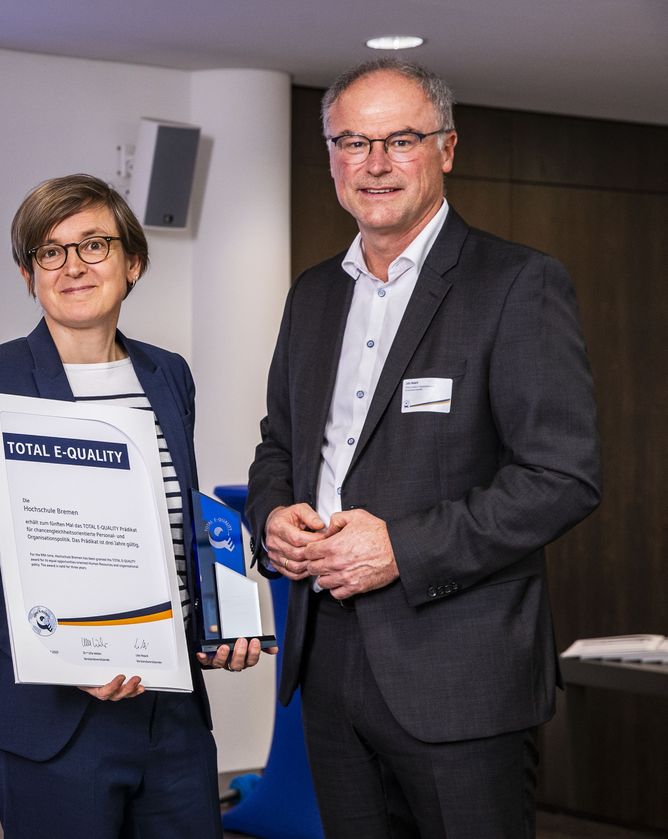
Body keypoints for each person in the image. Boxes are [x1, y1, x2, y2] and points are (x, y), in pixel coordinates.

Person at [246, 58, 602, 837]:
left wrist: (401, 547)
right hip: (328, 659)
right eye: (351, 142)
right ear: (331, 156)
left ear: (446, 148)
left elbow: (561, 476)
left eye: (399, 140)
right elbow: (281, 443)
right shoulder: (313, 293)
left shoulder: (517, 283)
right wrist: (272, 514)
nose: (373, 164)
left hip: (461, 670)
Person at [0, 173, 272, 839]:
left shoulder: (166, 373)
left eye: (94, 245)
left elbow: (173, 525)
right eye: (50, 252)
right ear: (30, 275)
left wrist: (218, 622)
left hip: (171, 714)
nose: (73, 266)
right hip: (49, 721)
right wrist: (65, 649)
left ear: (132, 261)